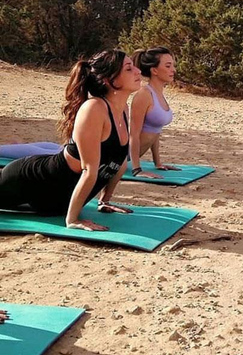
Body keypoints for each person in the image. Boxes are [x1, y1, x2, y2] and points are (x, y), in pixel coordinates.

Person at [0, 49, 141, 231]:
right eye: (129, 69)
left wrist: (105, 200)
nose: (137, 71)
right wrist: (73, 220)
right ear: (109, 80)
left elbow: (119, 162)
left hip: (56, 202)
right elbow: (89, 169)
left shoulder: (123, 110)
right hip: (29, 181)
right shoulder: (95, 109)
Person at [128, 47, 179, 179]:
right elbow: (133, 134)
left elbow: (155, 130)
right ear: (154, 70)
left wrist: (158, 163)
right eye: (168, 66)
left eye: (173, 65)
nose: (173, 70)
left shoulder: (158, 94)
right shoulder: (143, 95)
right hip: (119, 156)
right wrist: (137, 170)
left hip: (129, 158)